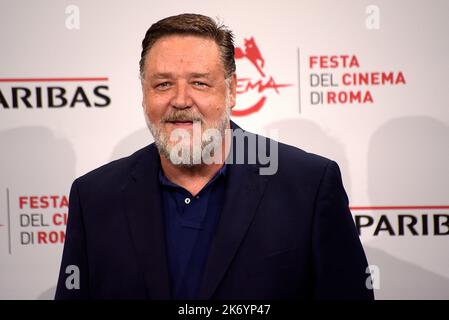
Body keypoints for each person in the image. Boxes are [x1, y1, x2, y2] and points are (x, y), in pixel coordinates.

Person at [55, 13, 374, 300]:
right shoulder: (95, 197)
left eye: (199, 83)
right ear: (144, 94)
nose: (181, 100)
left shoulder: (308, 186)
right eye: (163, 84)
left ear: (232, 89)